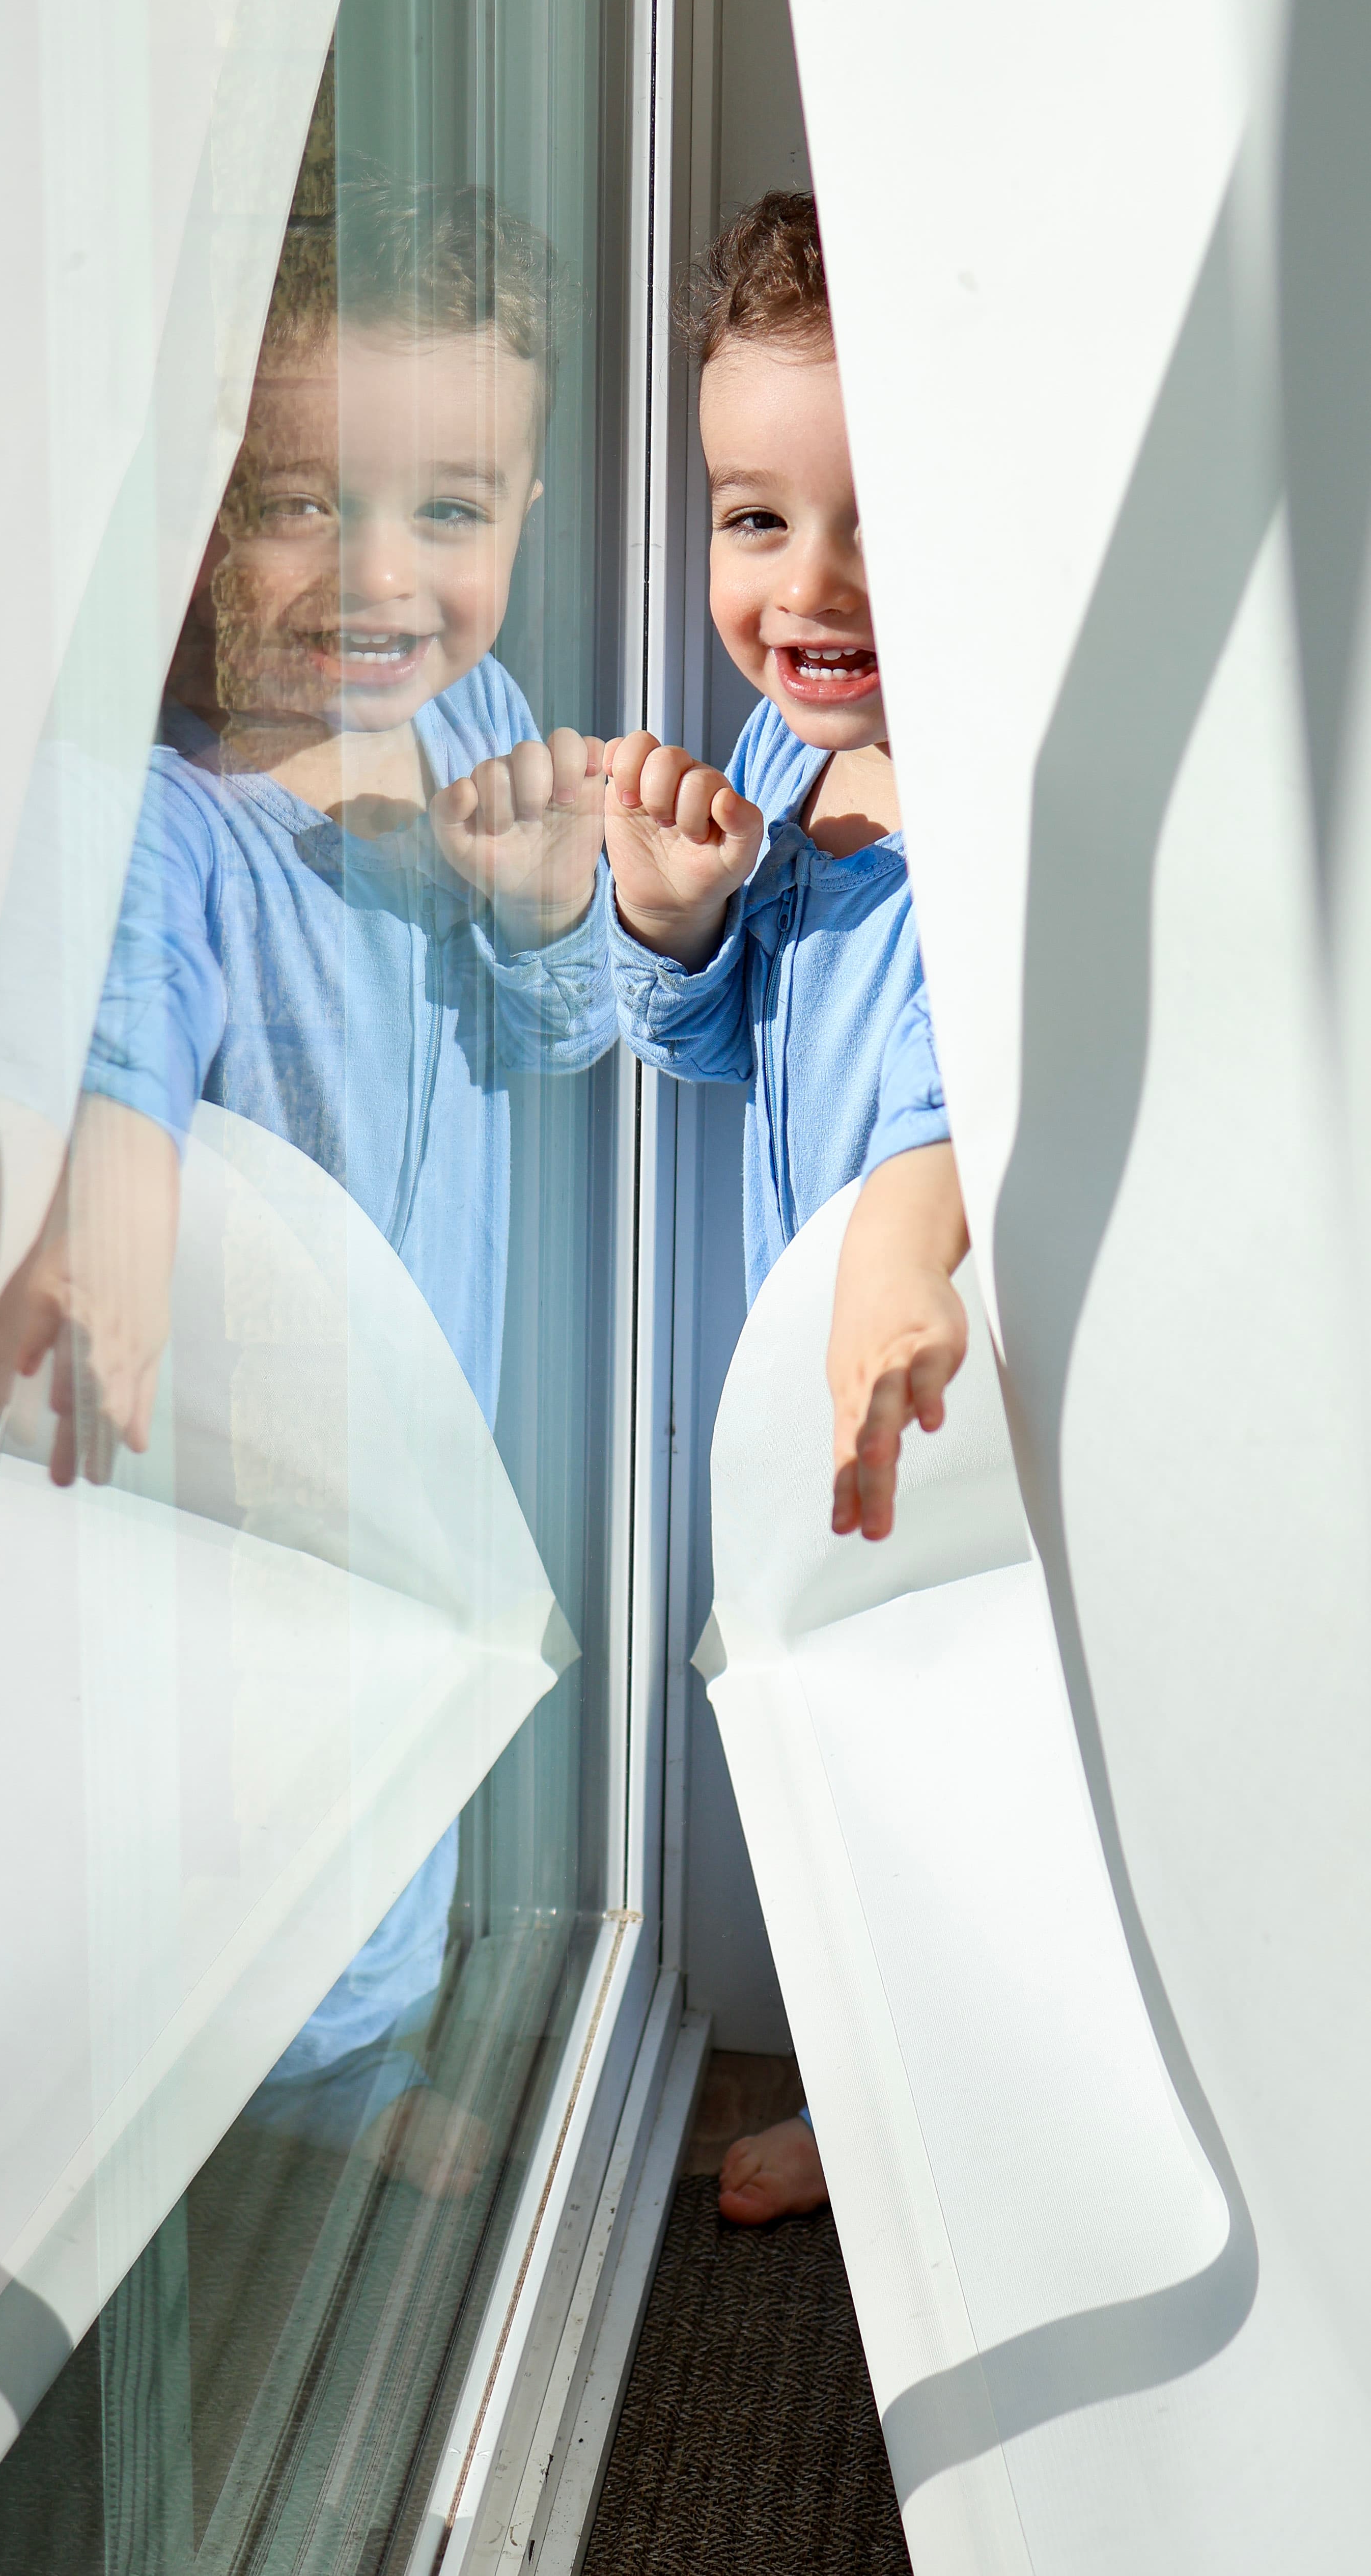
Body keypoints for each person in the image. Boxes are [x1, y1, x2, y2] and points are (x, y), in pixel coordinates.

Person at [0, 164, 615, 2196]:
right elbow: (114, 1021)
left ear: (524, 510)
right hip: (235, 1447)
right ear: (193, 510)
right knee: (230, 1788)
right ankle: (235, 2112)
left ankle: (342, 2078)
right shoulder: (168, 817)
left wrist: (550, 897)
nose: (377, 579)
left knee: (389, 1765)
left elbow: (561, 1034)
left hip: (418, 1425)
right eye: (299, 499)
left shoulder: (475, 721)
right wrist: (112, 1202)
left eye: (453, 509)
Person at [601, 190, 968, 2225]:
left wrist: (902, 1270)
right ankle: (879, 2088)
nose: (808, 584)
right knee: (843, 1762)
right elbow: (714, 1045)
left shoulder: (968, 802)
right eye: (756, 517)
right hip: (818, 1389)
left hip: (930, 1381)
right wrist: (672, 908)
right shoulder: (788, 743)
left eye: (870, 519)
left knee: (962, 1772)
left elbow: (961, 1088)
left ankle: (943, 2117)